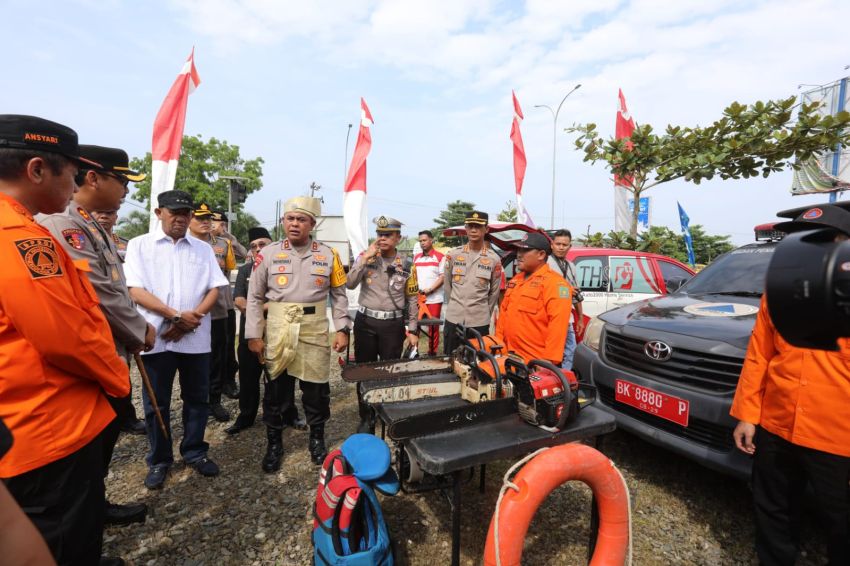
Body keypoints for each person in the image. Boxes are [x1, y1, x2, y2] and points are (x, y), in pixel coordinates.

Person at [0, 114, 129, 565]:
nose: (75, 186)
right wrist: (117, 377)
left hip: (22, 419)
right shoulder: (17, 237)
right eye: (71, 174)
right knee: (61, 538)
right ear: (36, 169)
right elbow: (66, 337)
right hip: (46, 426)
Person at [40, 144, 155, 527]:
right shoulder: (64, 225)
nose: (126, 190)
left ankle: (94, 507)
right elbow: (99, 293)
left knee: (101, 442)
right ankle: (81, 524)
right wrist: (139, 329)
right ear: (93, 177)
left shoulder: (89, 223)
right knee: (85, 449)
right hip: (90, 355)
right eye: (121, 180)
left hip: (110, 347)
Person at [731, 205, 850, 566]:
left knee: (841, 523)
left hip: (837, 437)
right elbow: (760, 356)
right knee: (773, 510)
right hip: (777, 425)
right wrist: (748, 416)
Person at [124, 190, 229, 490]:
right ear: (159, 213)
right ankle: (159, 459)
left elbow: (214, 289)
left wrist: (189, 319)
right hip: (155, 337)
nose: (181, 218)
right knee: (156, 402)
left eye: (186, 213)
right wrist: (174, 316)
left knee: (197, 398)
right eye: (174, 213)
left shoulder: (202, 249)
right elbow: (135, 290)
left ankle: (195, 450)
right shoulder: (139, 246)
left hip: (195, 338)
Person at [246, 197, 350, 470]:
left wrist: (342, 328)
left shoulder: (328, 255)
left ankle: (317, 439)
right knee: (276, 389)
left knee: (316, 390)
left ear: (312, 224)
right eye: (290, 218)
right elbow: (254, 297)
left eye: (301, 219)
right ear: (283, 222)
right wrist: (254, 334)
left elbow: (339, 295)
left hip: (314, 329)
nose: (295, 224)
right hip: (279, 328)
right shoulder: (267, 254)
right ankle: (274, 444)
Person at [227, 226, 304, 435]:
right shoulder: (245, 270)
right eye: (253, 246)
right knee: (248, 378)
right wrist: (256, 306)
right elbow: (239, 299)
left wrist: (255, 307)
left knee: (284, 378)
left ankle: (288, 414)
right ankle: (246, 416)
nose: (257, 249)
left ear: (272, 245)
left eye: (262, 244)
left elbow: (289, 298)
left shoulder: (286, 267)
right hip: (250, 334)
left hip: (280, 332)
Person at [346, 216, 419, 433]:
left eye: (388, 235)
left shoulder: (406, 265)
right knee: (364, 370)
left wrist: (413, 329)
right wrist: (364, 259)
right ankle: (366, 416)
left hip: (392, 325)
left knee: (390, 371)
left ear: (398, 238)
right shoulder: (366, 258)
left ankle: (387, 412)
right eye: (379, 234)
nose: (382, 238)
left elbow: (413, 299)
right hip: (366, 322)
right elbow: (349, 283)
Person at [188, 203, 236, 422]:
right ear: (190, 219)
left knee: (217, 356)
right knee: (189, 359)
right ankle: (193, 399)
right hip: (189, 309)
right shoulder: (182, 244)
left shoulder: (223, 245)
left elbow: (227, 273)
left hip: (217, 310)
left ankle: (214, 400)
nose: (206, 222)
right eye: (200, 218)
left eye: (208, 218)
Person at [495, 232, 572, 365]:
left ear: (541, 255)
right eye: (518, 249)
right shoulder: (516, 280)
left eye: (525, 250)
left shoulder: (555, 284)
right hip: (508, 357)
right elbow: (504, 316)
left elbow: (558, 328)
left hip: (534, 363)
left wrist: (547, 363)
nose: (519, 254)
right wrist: (498, 347)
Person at [443, 210, 502, 354]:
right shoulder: (454, 255)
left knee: (478, 364)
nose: (474, 230)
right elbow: (447, 285)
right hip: (454, 318)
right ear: (466, 228)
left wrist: (482, 311)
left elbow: (494, 292)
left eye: (478, 226)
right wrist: (456, 305)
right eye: (470, 226)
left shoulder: (494, 259)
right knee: (451, 360)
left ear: (486, 229)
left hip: (479, 321)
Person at [212, 209, 242, 399]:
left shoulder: (225, 242)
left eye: (217, 221)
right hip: (202, 307)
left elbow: (244, 254)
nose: (213, 224)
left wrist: (226, 234)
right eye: (209, 220)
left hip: (225, 303)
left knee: (227, 345)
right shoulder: (196, 241)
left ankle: (228, 381)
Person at [547, 229, 585, 370]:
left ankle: (565, 381)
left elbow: (576, 294)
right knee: (550, 353)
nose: (561, 247)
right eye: (558, 244)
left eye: (565, 244)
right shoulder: (545, 263)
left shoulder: (571, 266)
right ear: (552, 245)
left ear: (570, 246)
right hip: (549, 318)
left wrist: (580, 318)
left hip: (567, 318)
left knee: (570, 351)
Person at [413, 229, 445, 355]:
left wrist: (430, 290)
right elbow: (413, 277)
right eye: (420, 241)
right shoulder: (416, 258)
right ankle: (414, 353)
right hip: (418, 299)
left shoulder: (440, 257)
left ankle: (432, 353)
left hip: (434, 298)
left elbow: (442, 277)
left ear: (431, 240)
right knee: (415, 327)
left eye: (425, 240)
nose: (422, 243)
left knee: (433, 327)